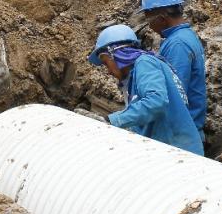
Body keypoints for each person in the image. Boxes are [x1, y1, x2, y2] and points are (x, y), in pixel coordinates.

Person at [84, 24, 203, 155]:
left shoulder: (145, 63)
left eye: (106, 63)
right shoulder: (137, 74)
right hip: (171, 150)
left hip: (179, 153)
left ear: (115, 54)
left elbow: (156, 101)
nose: (108, 71)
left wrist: (112, 120)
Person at [138, 0, 207, 139]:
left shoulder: (178, 44)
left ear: (161, 18)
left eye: (149, 19)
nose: (148, 25)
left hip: (180, 134)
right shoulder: (184, 37)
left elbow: (174, 94)